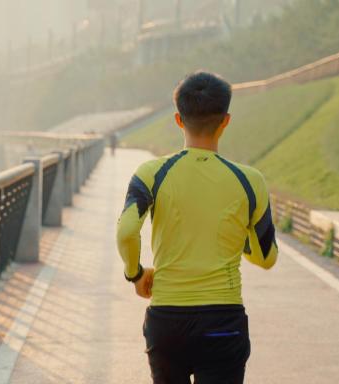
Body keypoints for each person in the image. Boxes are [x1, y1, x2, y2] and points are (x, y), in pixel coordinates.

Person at [116, 71, 278, 384]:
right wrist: (236, 235)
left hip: (167, 319)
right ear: (226, 121)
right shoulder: (250, 181)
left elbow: (125, 232)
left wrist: (136, 274)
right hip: (223, 320)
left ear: (178, 120)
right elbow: (266, 257)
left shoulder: (151, 173)